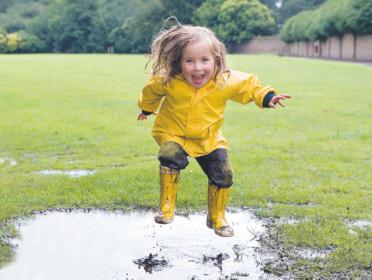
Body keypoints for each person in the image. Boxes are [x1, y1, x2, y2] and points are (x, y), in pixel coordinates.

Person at [137, 24, 290, 237]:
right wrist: (146, 108)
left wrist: (266, 97)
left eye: (204, 60)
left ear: (216, 60)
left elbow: (248, 86)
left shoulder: (224, 80)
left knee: (224, 175)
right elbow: (151, 92)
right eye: (189, 61)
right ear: (179, 62)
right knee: (169, 154)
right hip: (173, 132)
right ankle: (167, 206)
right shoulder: (169, 79)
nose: (197, 68)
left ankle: (217, 217)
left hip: (208, 138)